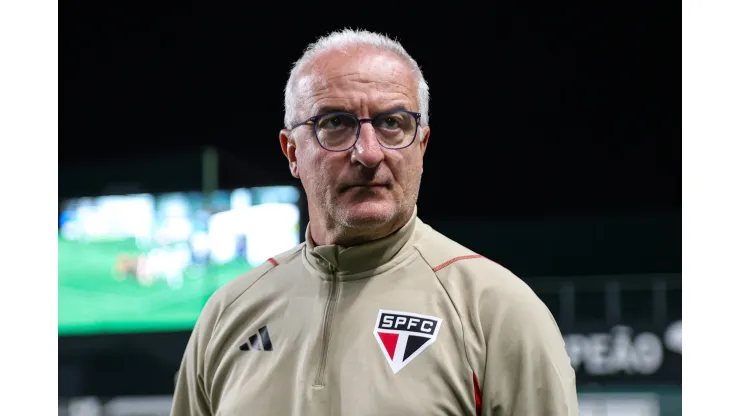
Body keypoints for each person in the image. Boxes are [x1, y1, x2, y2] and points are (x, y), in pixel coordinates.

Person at [171, 28, 579, 416]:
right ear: (292, 151)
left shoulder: (497, 310)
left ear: (421, 145)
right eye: (334, 123)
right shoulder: (228, 313)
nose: (368, 153)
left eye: (392, 123)